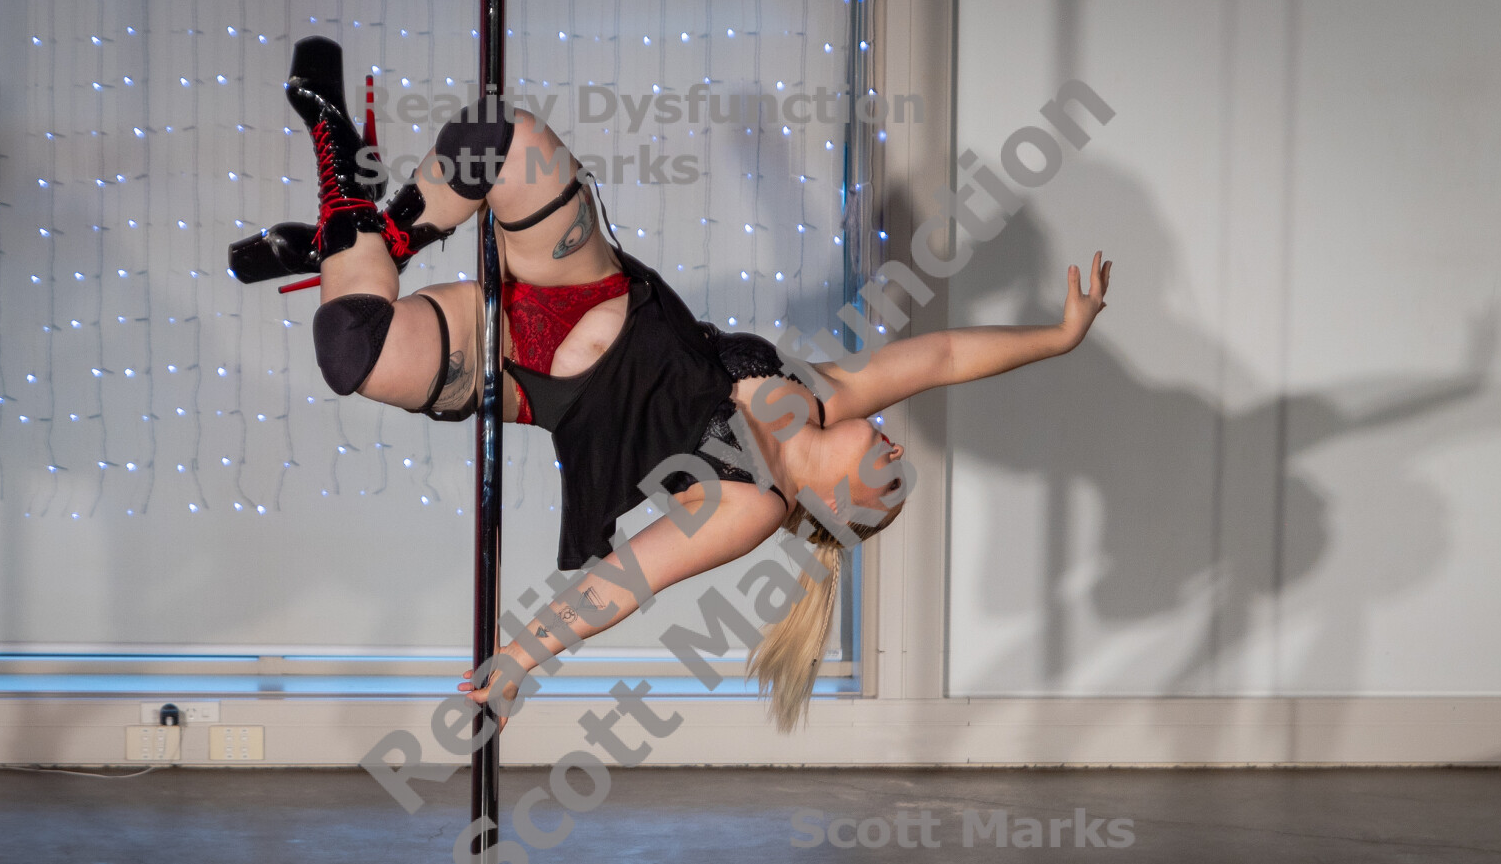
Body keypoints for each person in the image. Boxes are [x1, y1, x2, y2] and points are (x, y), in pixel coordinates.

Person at [230, 38, 1112, 731]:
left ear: (843, 505)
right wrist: (1060, 337)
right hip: (580, 284)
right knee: (495, 140)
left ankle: (345, 196)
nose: (894, 452)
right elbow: (942, 359)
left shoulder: (752, 505)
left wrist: (522, 659)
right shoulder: (821, 395)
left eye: (889, 482)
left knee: (352, 349)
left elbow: (624, 579)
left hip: (520, 365)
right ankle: (366, 227)